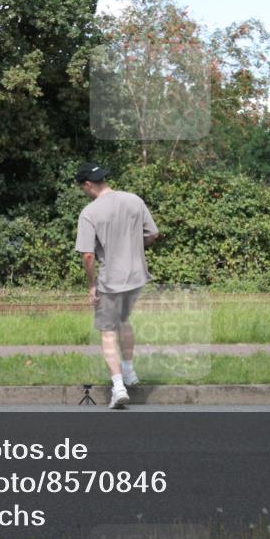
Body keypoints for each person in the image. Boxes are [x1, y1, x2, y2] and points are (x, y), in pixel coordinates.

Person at [73, 162, 159, 409]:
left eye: (82, 187)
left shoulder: (90, 213)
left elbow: (88, 255)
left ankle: (118, 387)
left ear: (88, 185)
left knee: (108, 331)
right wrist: (135, 246)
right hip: (137, 277)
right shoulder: (134, 200)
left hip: (111, 281)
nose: (84, 191)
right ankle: (130, 371)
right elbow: (153, 234)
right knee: (123, 321)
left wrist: (92, 286)